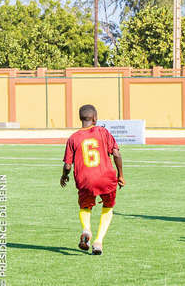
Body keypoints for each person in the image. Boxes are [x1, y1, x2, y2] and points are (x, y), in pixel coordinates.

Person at [60, 104, 125, 255]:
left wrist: (64, 176)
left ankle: (86, 230)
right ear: (95, 118)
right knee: (108, 207)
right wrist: (120, 175)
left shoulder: (73, 138)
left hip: (85, 180)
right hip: (106, 178)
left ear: (80, 118)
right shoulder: (103, 132)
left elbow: (68, 165)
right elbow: (116, 154)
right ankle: (98, 242)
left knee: (85, 207)